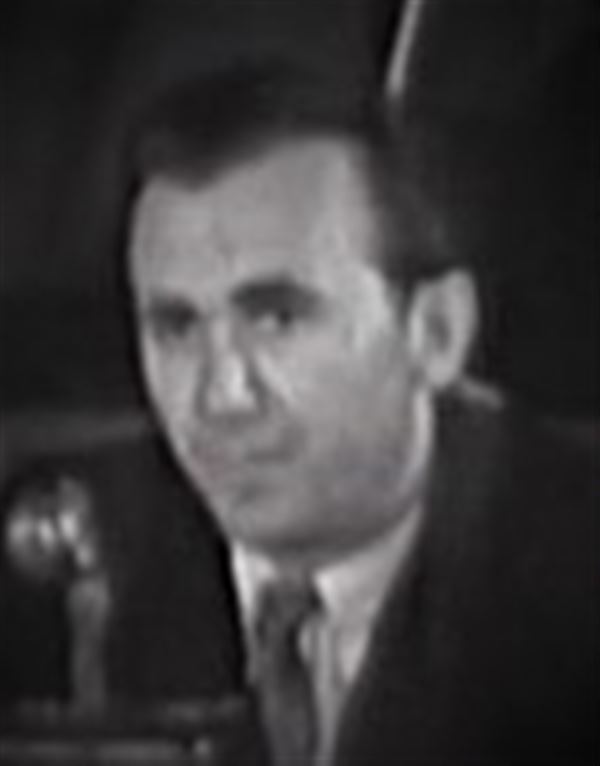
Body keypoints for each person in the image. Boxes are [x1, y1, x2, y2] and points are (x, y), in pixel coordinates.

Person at [1, 61, 597, 765]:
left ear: (436, 333)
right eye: (176, 327)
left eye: (278, 319)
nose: (221, 396)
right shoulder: (55, 553)